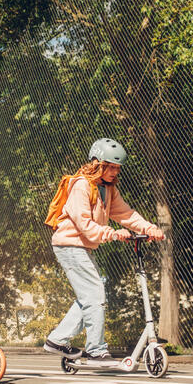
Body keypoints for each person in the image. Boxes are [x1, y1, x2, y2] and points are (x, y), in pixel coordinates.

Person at [43, 138, 164, 365]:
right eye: (111, 166)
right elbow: (85, 226)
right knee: (95, 294)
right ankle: (96, 350)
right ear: (97, 163)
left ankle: (57, 340)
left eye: (118, 168)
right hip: (69, 245)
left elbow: (126, 214)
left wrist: (149, 228)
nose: (115, 171)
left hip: (81, 247)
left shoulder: (108, 189)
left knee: (90, 297)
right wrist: (114, 233)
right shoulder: (80, 185)